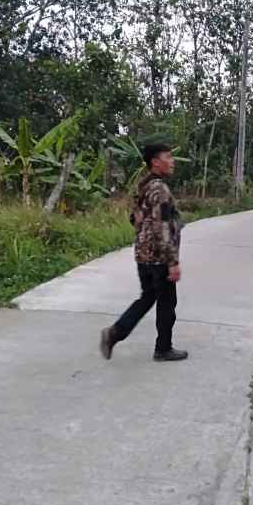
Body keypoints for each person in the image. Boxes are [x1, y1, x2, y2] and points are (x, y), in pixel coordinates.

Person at [99, 144, 188, 362]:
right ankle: (163, 349)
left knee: (148, 297)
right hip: (159, 257)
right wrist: (172, 261)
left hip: (143, 254)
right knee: (167, 303)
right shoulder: (160, 189)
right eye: (168, 157)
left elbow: (135, 218)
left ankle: (115, 333)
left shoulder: (143, 186)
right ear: (155, 162)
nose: (172, 161)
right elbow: (162, 226)